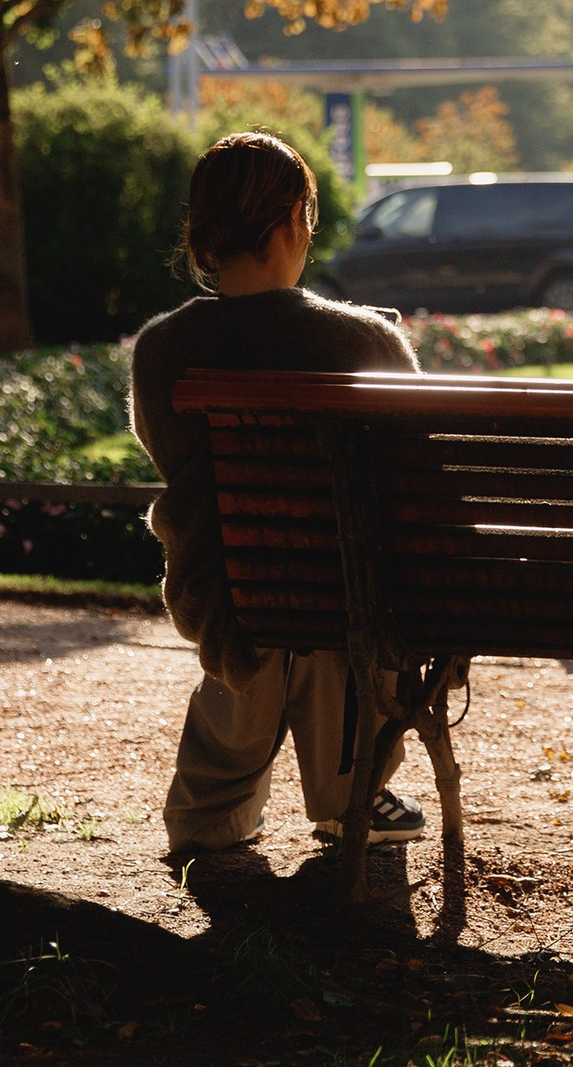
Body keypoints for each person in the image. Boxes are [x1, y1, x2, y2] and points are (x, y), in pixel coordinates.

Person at [131, 132, 429, 859]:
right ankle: (348, 788)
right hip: (347, 597)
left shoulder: (162, 348)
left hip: (222, 589)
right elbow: (418, 474)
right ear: (295, 219)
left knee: (261, 595)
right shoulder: (364, 340)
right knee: (342, 586)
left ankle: (213, 805)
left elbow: (167, 454)